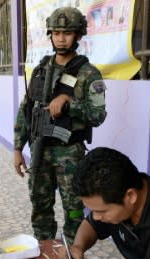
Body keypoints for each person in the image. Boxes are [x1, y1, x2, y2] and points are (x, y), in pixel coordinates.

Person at [14, 6, 107, 243]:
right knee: (40, 207)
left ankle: (72, 254)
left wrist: (69, 103)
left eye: (67, 33)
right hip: (39, 150)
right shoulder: (41, 70)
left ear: (78, 35)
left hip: (69, 154)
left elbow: (98, 115)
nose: (61, 38)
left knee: (75, 210)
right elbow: (26, 110)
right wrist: (17, 148)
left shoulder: (88, 74)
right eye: (56, 33)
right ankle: (45, 250)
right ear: (50, 35)